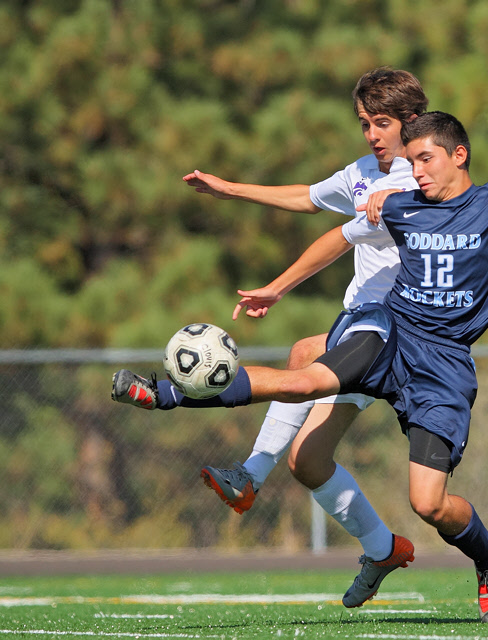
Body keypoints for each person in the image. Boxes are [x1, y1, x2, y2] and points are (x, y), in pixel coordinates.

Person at [116, 111, 488, 622]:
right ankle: (169, 393)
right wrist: (284, 280)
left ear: (459, 156)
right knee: (305, 376)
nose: (416, 171)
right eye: (410, 160)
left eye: (425, 159)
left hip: (443, 363)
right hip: (390, 330)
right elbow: (339, 235)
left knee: (429, 504)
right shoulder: (402, 204)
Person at [113, 67, 426, 608]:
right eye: (363, 124)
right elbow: (308, 197)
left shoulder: (417, 183)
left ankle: (196, 421)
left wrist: (278, 287)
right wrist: (229, 189)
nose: (372, 135)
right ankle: (383, 548)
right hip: (364, 326)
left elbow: (335, 240)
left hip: (401, 333)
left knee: (306, 353)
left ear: (412, 122)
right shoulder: (361, 173)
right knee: (308, 463)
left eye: (381, 124)